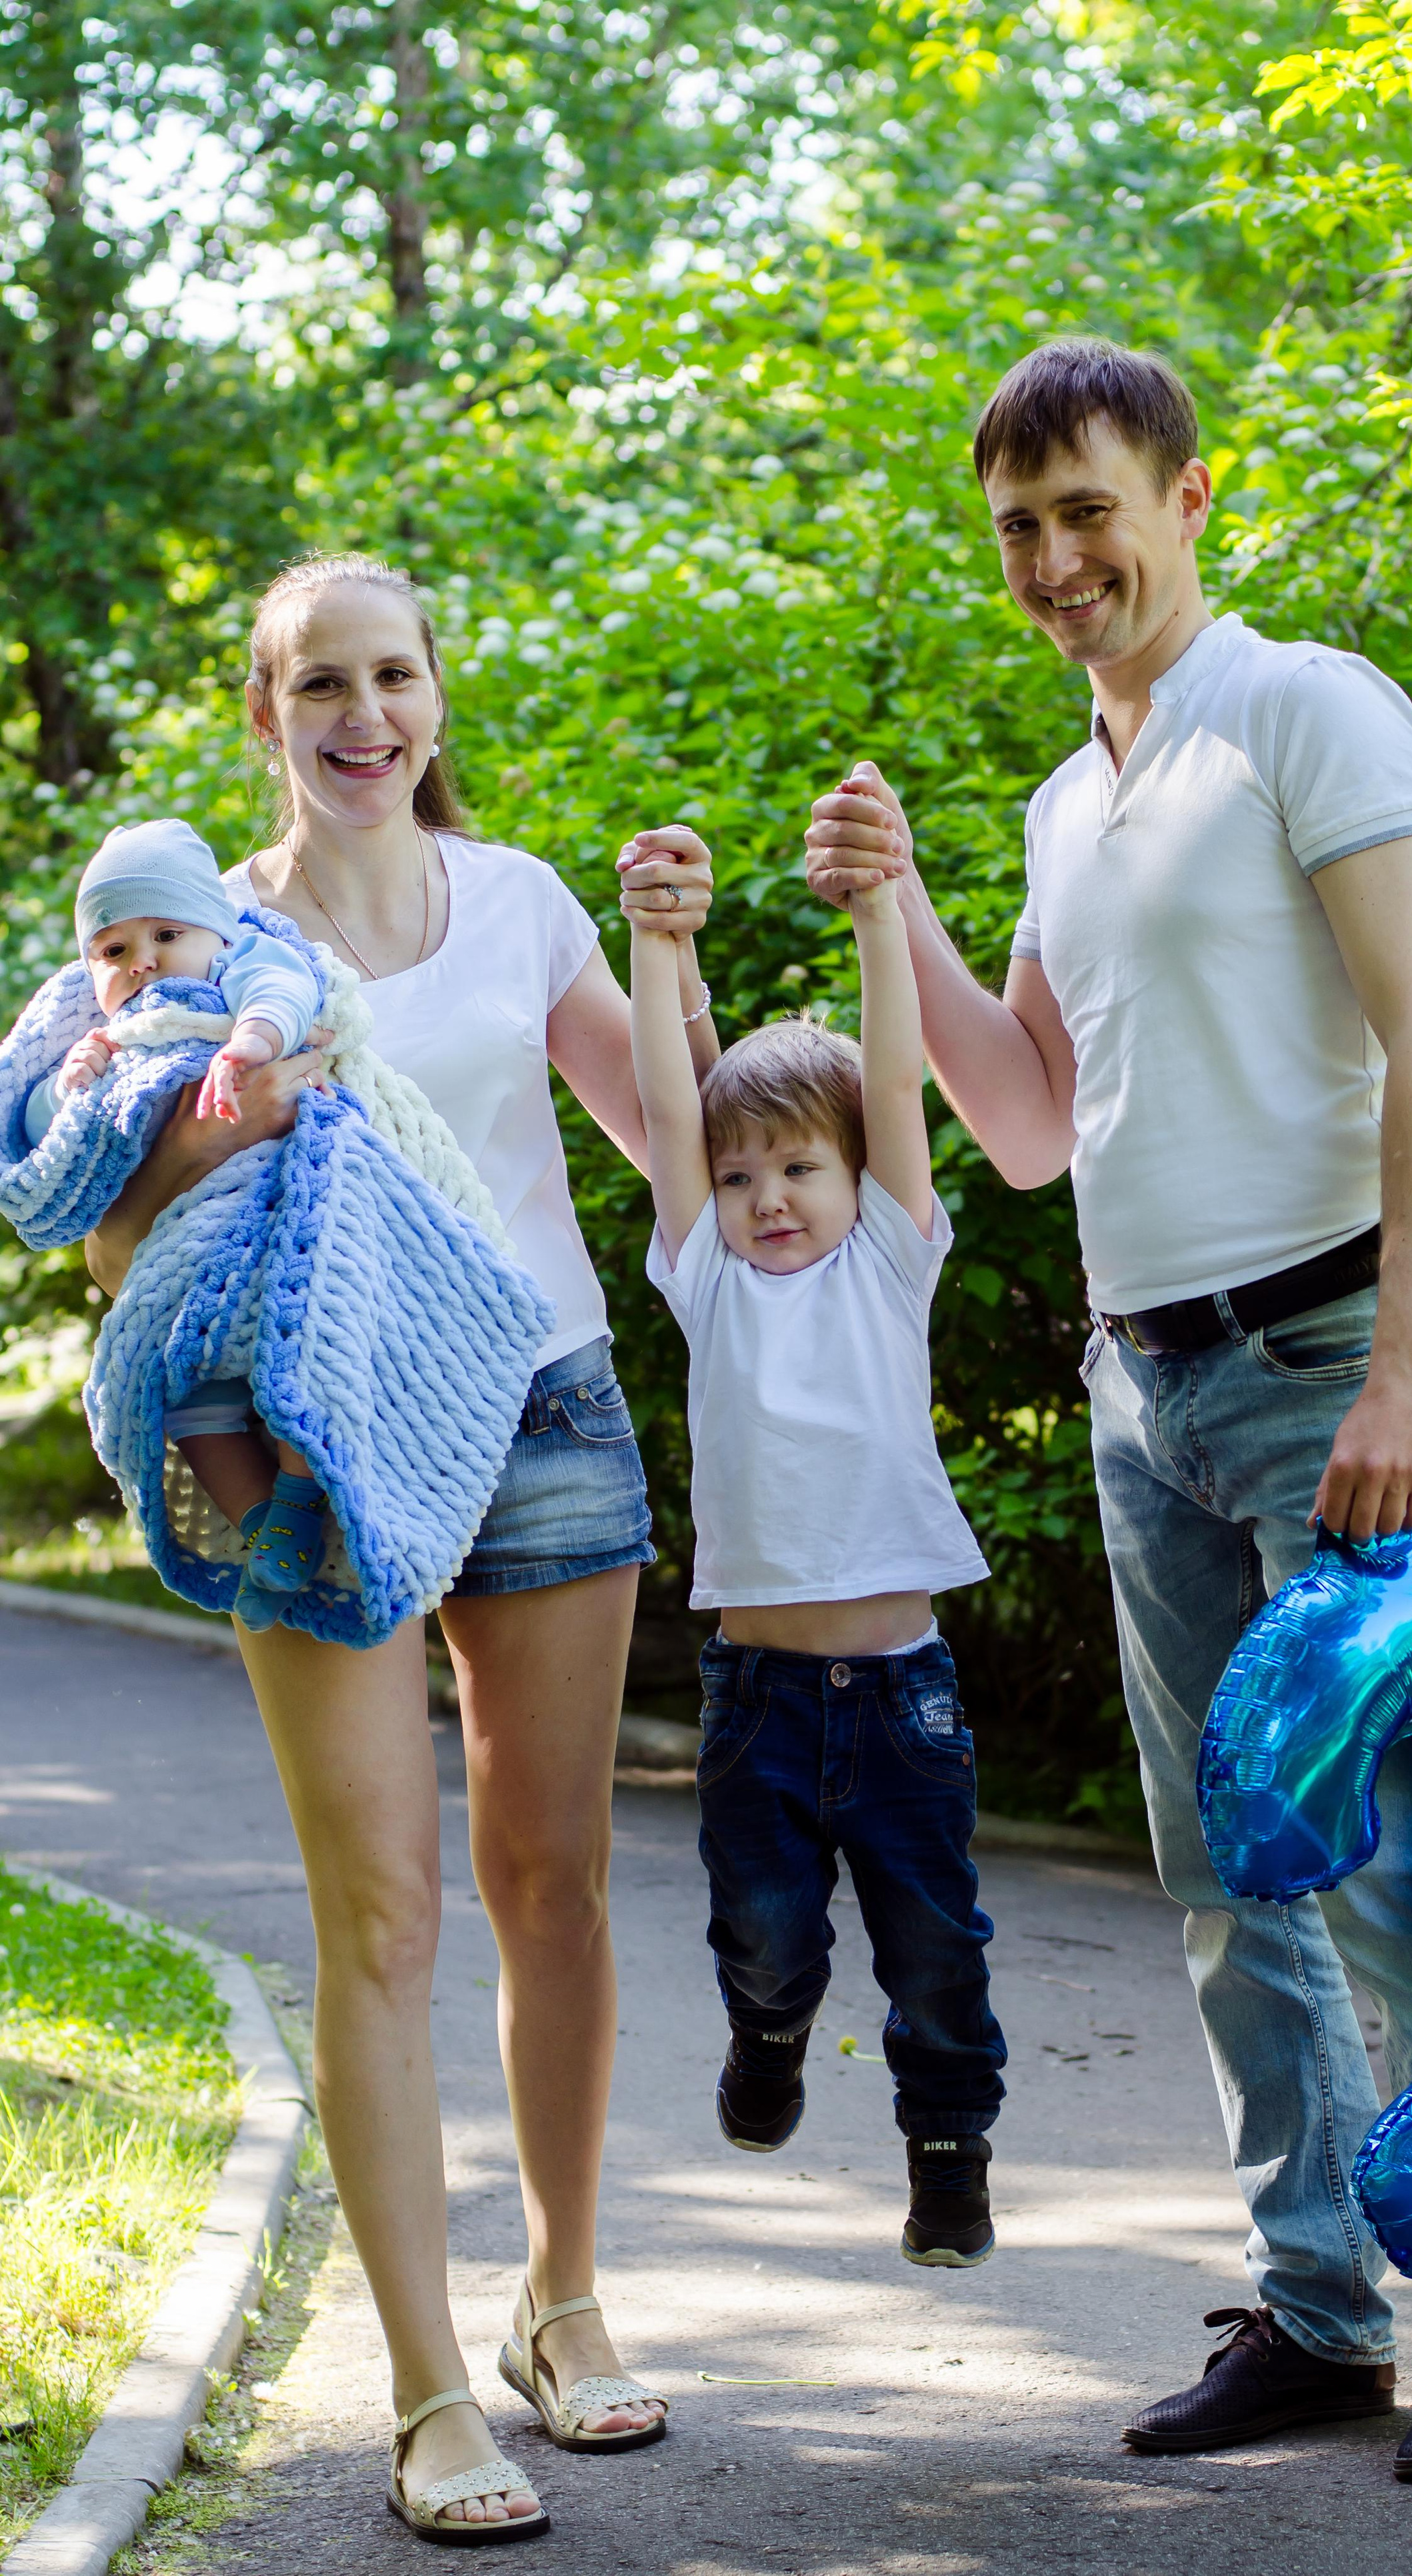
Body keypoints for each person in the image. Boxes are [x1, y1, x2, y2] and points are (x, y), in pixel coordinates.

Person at [804, 340, 1412, 2483]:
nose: (1055, 560)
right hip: (1140, 1381)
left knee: (1398, 1868)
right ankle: (1320, 2312)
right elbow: (1036, 1123)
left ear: (1186, 496)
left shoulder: (1304, 709)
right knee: (1236, 1877)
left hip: (1329, 1356)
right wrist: (905, 910)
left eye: (1086, 509)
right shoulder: (1073, 801)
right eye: (1018, 530)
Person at [85, 551, 717, 2542]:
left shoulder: (520, 903)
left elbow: (674, 1153)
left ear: (437, 694)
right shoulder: (207, 945)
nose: (366, 712)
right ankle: (431, 2388)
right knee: (383, 1913)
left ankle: (561, 2297)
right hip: (313, 1447)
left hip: (538, 1411)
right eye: (322, 683)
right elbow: (121, 1245)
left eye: (396, 674)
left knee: (557, 1884)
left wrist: (670, 947)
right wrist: (226, 1108)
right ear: (264, 710)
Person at [622, 804, 1006, 2265]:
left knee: (935, 1953)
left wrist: (878, 913)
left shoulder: (887, 1266)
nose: (764, 1199)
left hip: (903, 1694)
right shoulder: (706, 1284)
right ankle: (768, 2039)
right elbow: (669, 1104)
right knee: (764, 1935)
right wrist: (660, 948)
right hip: (759, 1698)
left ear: (856, 1182)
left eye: (796, 1169)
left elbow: (894, 1079)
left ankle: (948, 2153)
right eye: (737, 1178)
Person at [24, 818, 335, 1608]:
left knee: (307, 1352)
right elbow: (44, 1137)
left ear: (215, 937)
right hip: (180, 1271)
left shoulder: (237, 973)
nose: (144, 961)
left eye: (166, 932)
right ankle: (270, 1533)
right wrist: (72, 1083)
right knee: (193, 1405)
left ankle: (300, 1491)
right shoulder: (107, 1038)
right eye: (114, 949)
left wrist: (250, 1045)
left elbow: (286, 990)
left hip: (271, 1224)